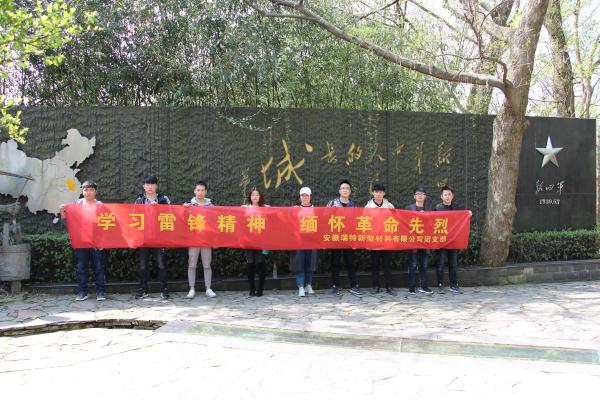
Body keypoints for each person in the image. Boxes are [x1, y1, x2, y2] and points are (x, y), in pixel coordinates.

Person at [59, 181, 106, 301]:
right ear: (82, 192)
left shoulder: (100, 205)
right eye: (86, 190)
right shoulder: (77, 205)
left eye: (91, 190)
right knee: (81, 268)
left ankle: (100, 292)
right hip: (81, 242)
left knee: (98, 268)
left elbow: (106, 224)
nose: (88, 192)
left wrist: (102, 241)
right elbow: (67, 220)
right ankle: (82, 292)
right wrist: (62, 212)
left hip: (96, 242)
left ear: (95, 191)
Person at [134, 175, 171, 300]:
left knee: (161, 264)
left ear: (156, 186)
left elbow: (171, 214)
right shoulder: (139, 200)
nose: (150, 187)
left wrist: (159, 209)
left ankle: (164, 289)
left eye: (152, 184)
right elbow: (134, 216)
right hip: (143, 237)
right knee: (142, 265)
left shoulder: (163, 199)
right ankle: (143, 289)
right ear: (144, 186)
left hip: (159, 237)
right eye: (147, 184)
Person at [327, 179, 363, 296]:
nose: (345, 190)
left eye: (347, 188)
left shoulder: (354, 205)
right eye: (343, 188)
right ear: (339, 191)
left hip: (349, 238)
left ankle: (354, 285)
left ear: (350, 191)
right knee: (335, 262)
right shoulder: (332, 203)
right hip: (336, 237)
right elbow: (324, 217)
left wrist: (356, 239)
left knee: (351, 262)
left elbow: (357, 222)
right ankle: (335, 285)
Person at [183, 181, 216, 299]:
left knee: (207, 264)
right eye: (198, 190)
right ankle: (192, 288)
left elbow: (216, 221)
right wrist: (184, 209)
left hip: (206, 239)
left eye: (202, 190)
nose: (200, 192)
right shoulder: (189, 206)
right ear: (194, 191)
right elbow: (182, 220)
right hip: (193, 240)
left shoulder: (211, 206)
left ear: (206, 191)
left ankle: (208, 288)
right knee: (192, 264)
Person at [365, 183, 396, 296]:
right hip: (374, 240)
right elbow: (365, 223)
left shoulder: (389, 206)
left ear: (384, 193)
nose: (378, 194)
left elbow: (396, 220)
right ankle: (375, 286)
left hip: (386, 240)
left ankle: (389, 286)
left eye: (380, 192)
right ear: (373, 193)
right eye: (376, 192)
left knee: (387, 264)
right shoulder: (368, 207)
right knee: (375, 265)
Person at [434, 185, 464, 294]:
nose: (447, 196)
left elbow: (462, 220)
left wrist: (468, 214)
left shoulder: (457, 208)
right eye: (445, 194)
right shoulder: (437, 208)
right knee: (441, 263)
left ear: (452, 196)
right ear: (441, 196)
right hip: (442, 240)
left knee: (453, 263)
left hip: (453, 241)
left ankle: (454, 284)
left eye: (449, 194)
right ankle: (440, 285)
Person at [290, 187, 318, 297]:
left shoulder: (316, 209)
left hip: (312, 240)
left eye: (307, 195)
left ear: (310, 197)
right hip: (299, 240)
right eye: (302, 195)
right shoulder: (296, 209)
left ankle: (308, 284)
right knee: (299, 263)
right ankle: (301, 286)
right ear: (300, 197)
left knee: (310, 263)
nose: (305, 197)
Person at [405, 186, 432, 295]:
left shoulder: (430, 209)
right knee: (413, 265)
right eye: (418, 194)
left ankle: (423, 286)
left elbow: (434, 222)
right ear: (414, 196)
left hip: (425, 241)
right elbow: (403, 223)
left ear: (425, 196)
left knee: (424, 265)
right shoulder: (408, 208)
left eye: (422, 194)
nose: (420, 196)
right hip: (413, 241)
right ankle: (411, 287)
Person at [242, 187, 268, 297]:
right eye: (253, 195)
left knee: (260, 264)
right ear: (250, 196)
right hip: (249, 240)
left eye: (257, 194)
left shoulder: (265, 208)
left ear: (260, 196)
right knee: (250, 264)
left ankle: (260, 289)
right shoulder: (245, 208)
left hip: (261, 241)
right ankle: (252, 289)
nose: (255, 197)